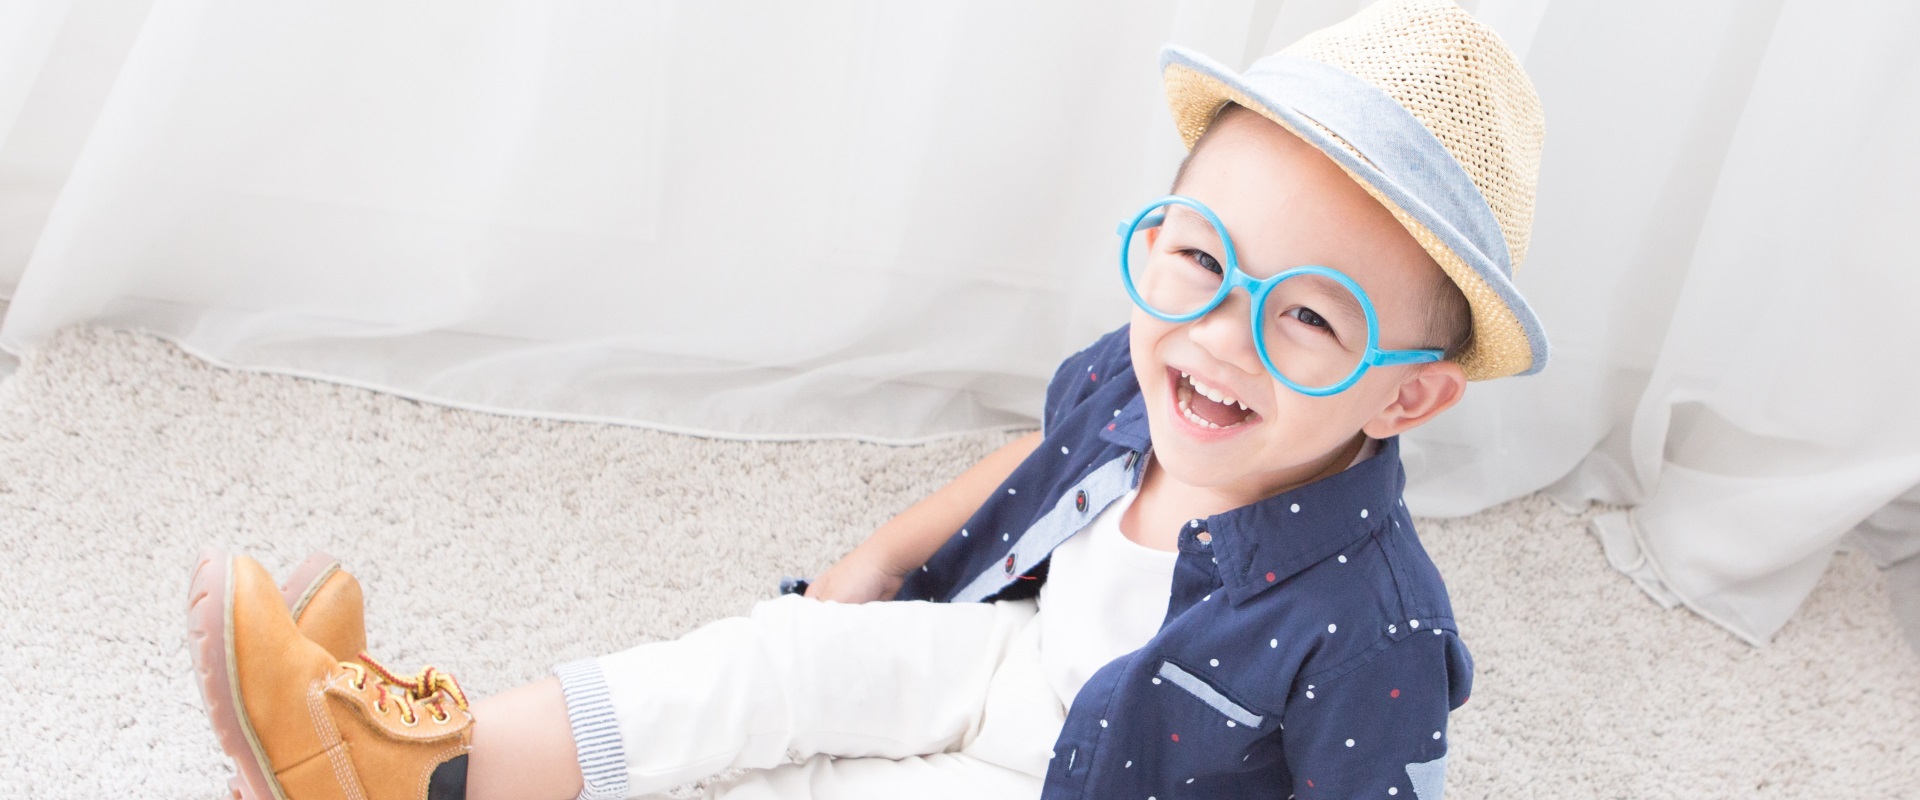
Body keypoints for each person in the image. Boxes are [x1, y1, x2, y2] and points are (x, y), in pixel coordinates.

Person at [184, 1, 1550, 798]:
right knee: (769, 662)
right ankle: (417, 760)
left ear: (1409, 397)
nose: (1221, 336)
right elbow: (1046, 453)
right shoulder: (1162, 373)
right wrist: (885, 558)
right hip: (1017, 662)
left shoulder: (1374, 623)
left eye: (1310, 316)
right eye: (1198, 260)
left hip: (1098, 777)